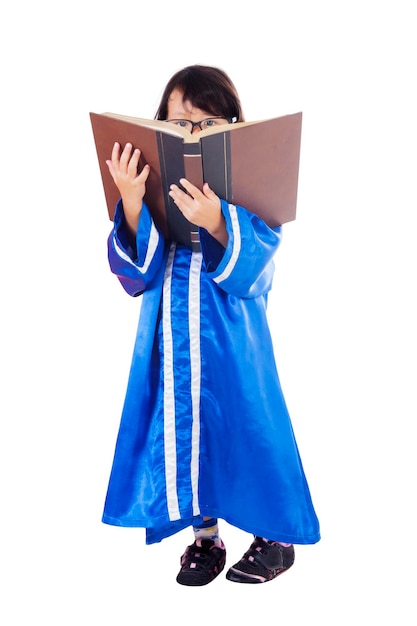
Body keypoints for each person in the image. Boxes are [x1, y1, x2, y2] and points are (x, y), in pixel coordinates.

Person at [102, 64, 320, 586]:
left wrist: (218, 221)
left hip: (233, 342)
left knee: (247, 429)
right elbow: (135, 274)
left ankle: (276, 538)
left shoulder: (250, 203)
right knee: (186, 427)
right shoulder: (150, 200)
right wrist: (132, 202)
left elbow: (257, 269)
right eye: (179, 123)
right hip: (171, 338)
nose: (191, 134)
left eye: (205, 123)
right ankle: (205, 538)